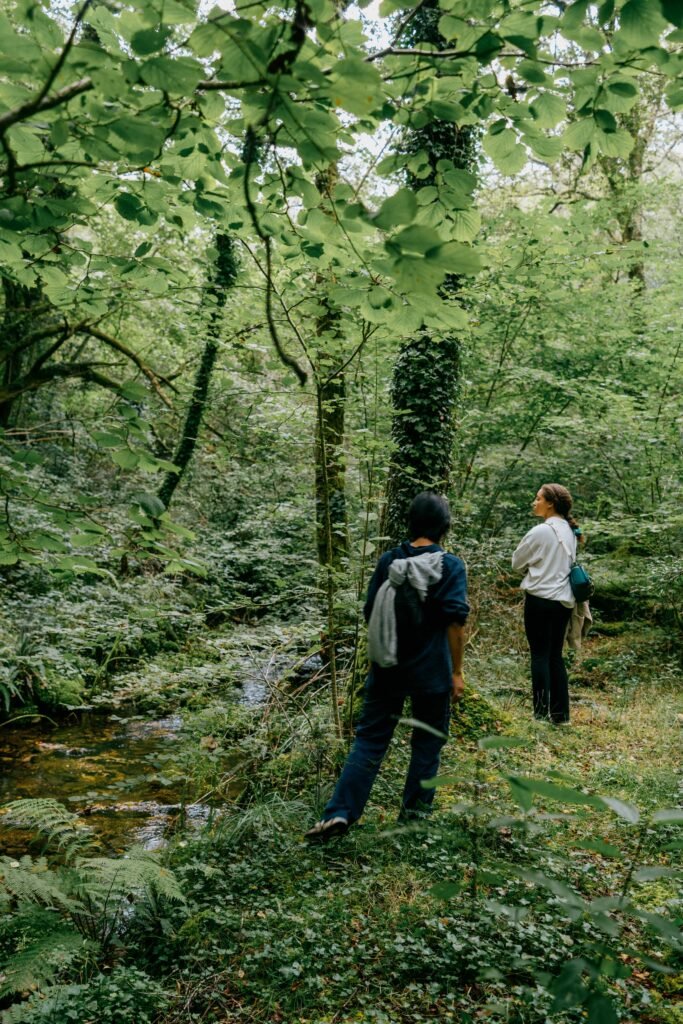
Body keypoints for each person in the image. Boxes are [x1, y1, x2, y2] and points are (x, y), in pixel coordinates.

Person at [305, 491, 469, 841]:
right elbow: (456, 624)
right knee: (426, 745)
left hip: (386, 668)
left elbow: (370, 613)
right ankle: (413, 820)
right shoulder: (450, 566)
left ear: (409, 522)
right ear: (444, 526)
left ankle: (339, 813)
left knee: (369, 741)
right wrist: (457, 672)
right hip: (433, 672)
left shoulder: (388, 561)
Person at [511, 483, 583, 725]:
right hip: (563, 602)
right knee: (555, 656)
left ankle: (541, 714)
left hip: (540, 599)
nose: (535, 502)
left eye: (538, 498)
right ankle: (561, 716)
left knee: (539, 656)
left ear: (550, 503)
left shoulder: (541, 531)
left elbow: (516, 563)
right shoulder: (571, 532)